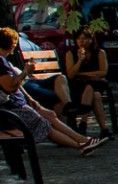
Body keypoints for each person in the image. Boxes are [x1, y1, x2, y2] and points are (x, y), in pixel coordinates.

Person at [0, 27, 101, 156]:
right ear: (10, 44)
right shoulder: (0, 62)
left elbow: (17, 86)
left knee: (50, 115)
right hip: (14, 106)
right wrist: (26, 72)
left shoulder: (4, 60)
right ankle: (82, 144)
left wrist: (30, 99)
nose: (15, 47)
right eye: (15, 43)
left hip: (21, 102)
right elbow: (9, 87)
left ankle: (83, 141)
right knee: (45, 126)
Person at [61, 29, 113, 134]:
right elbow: (71, 75)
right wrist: (80, 60)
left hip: (96, 82)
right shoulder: (71, 53)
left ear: (91, 39)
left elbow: (103, 72)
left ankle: (83, 123)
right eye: (79, 39)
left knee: (90, 86)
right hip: (77, 85)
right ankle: (104, 129)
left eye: (84, 38)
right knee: (96, 96)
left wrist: (83, 74)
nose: (81, 41)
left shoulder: (100, 52)